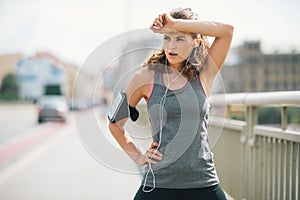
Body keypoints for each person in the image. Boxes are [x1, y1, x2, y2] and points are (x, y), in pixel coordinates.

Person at [108, 7, 233, 200]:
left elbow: (226, 31)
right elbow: (115, 123)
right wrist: (139, 157)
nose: (171, 46)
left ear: (195, 42)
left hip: (203, 184)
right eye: (167, 37)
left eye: (180, 38)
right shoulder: (145, 77)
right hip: (158, 185)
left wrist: (174, 24)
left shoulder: (204, 74)